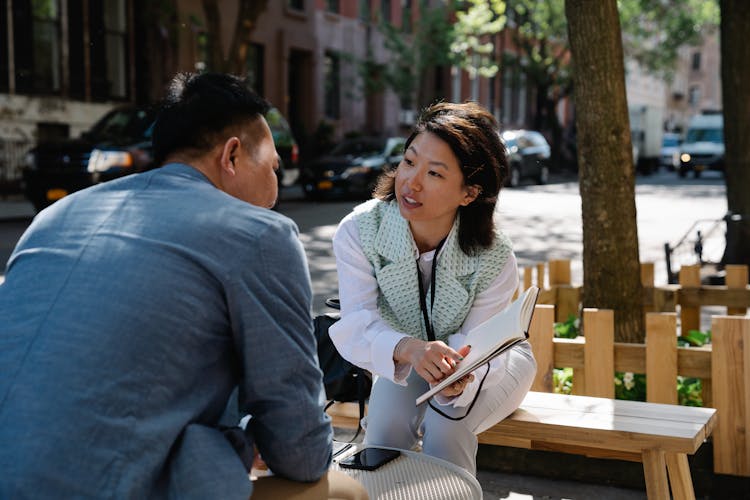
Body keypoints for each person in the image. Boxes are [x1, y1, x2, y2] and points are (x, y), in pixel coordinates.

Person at [0, 72, 367, 500]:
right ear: (232, 156)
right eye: (273, 168)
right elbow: (301, 451)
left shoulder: (55, 216)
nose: (275, 190)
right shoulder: (260, 234)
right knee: (343, 491)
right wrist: (244, 440)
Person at [330, 101, 537, 475]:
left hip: (489, 366)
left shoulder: (494, 256)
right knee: (381, 439)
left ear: (469, 193)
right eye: (409, 162)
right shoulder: (360, 231)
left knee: (445, 425)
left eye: (435, 174)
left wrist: (454, 381)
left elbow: (483, 346)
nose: (411, 181)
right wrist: (410, 349)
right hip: (410, 361)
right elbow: (356, 322)